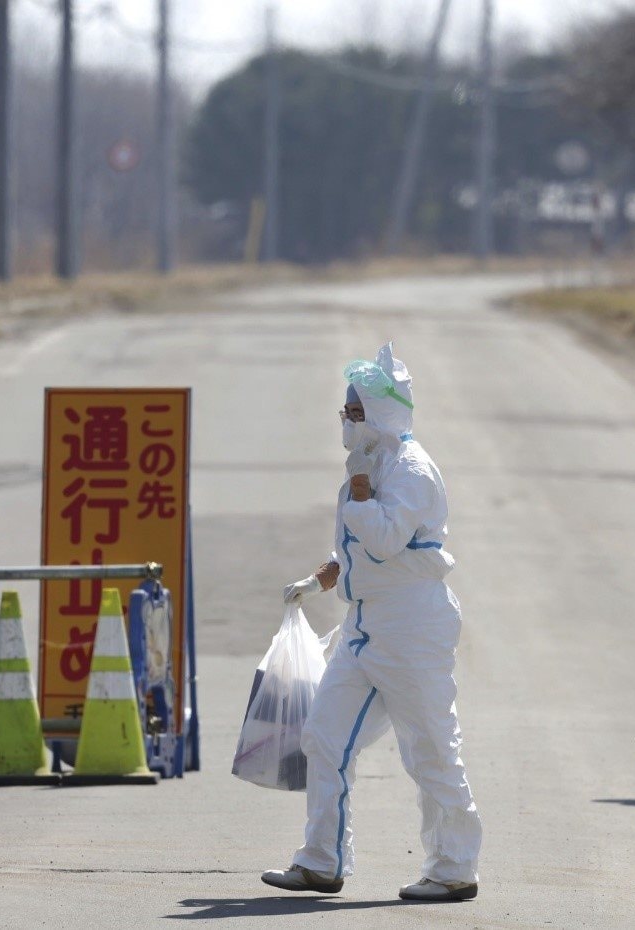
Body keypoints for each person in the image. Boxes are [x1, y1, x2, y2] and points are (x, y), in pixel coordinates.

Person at [263, 343, 483, 902]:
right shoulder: (370, 461)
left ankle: (454, 868)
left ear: (384, 414)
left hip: (411, 626)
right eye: (345, 411)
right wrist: (321, 578)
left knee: (430, 746)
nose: (347, 421)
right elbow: (356, 546)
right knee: (323, 738)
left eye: (357, 412)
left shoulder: (409, 468)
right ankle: (321, 861)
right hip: (365, 627)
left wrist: (359, 491)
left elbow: (385, 539)